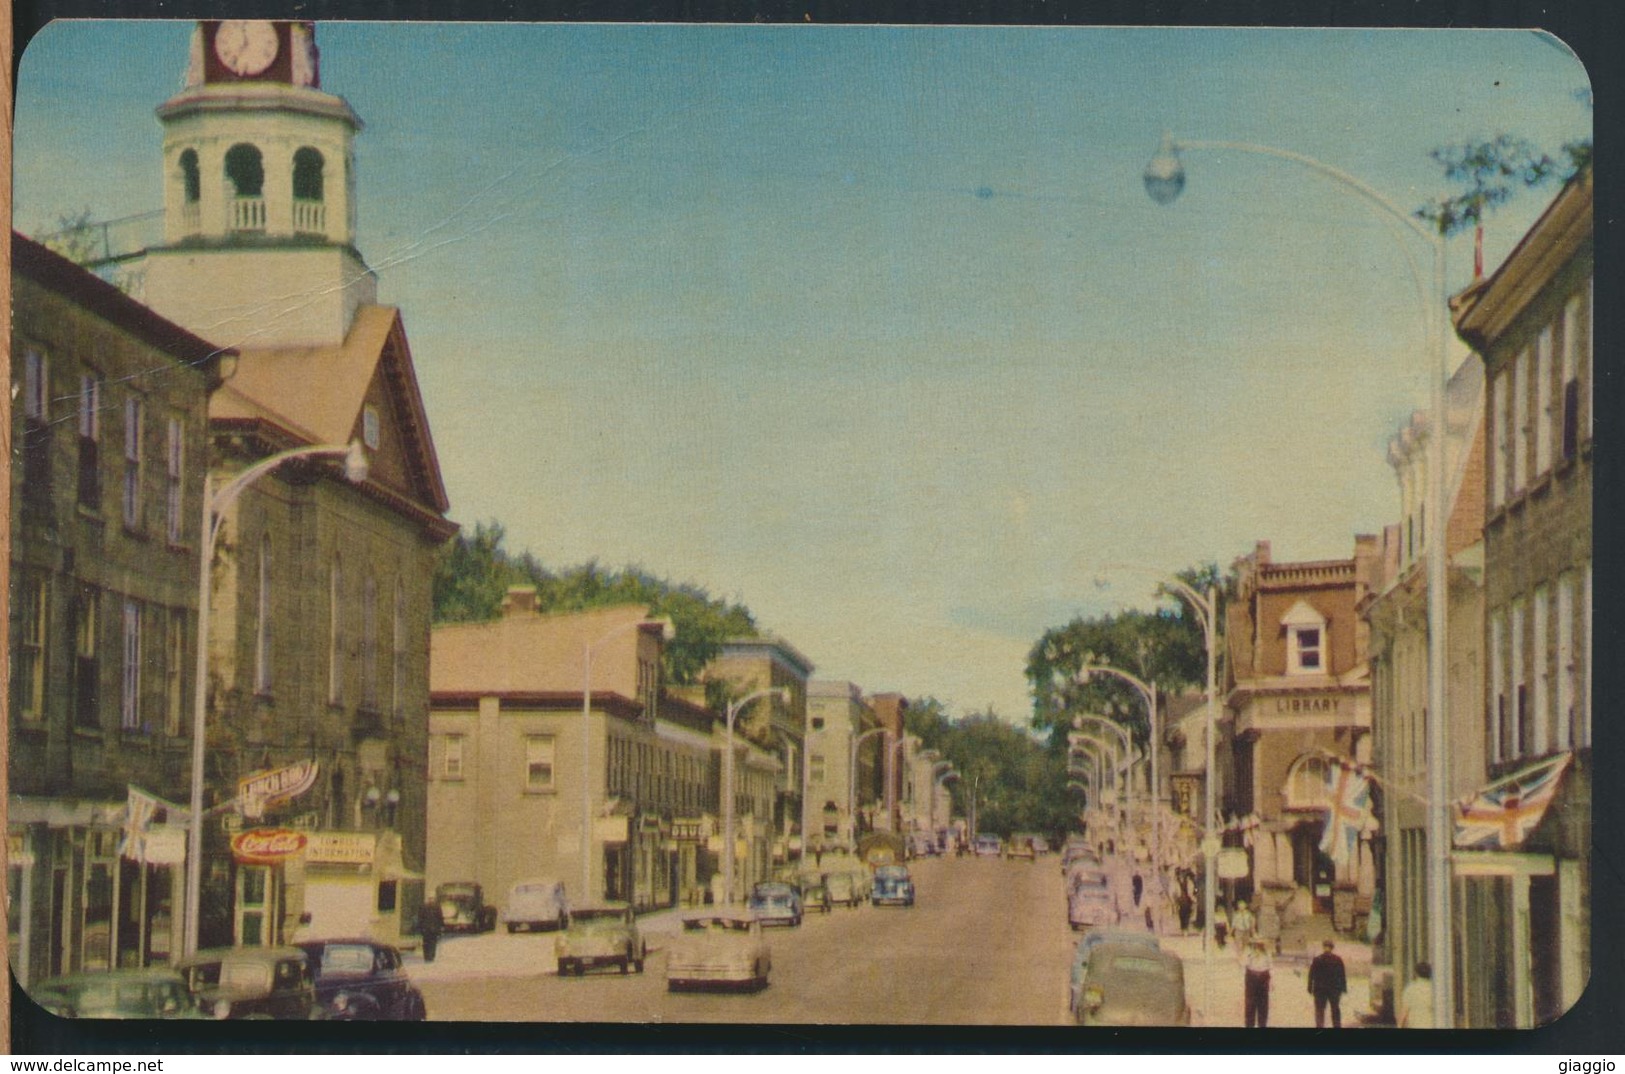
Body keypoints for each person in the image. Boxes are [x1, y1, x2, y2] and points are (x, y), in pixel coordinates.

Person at [1308, 940, 1349, 1028]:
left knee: (1321, 1010)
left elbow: (1311, 974)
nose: (1326, 948)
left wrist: (1310, 987)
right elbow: (1342, 974)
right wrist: (1343, 988)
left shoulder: (1318, 959)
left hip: (1321, 989)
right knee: (1334, 1009)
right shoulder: (1337, 959)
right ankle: (1336, 1026)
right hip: (1332, 989)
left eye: (1327, 947)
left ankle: (1320, 1026)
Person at [1243, 939, 1273, 1028]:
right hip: (1252, 976)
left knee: (1263, 1004)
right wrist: (1251, 956)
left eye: (1260, 944)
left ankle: (1262, 1024)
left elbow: (1271, 966)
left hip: (1263, 976)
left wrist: (1272, 981)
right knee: (1250, 1003)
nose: (1258, 946)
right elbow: (1243, 963)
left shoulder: (1267, 952)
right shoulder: (1248, 951)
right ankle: (1249, 1025)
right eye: (1257, 944)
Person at [1399, 962, 1435, 1029]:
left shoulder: (1410, 988)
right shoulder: (1435, 989)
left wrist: (1400, 1025)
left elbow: (1405, 1010)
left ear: (1416, 974)